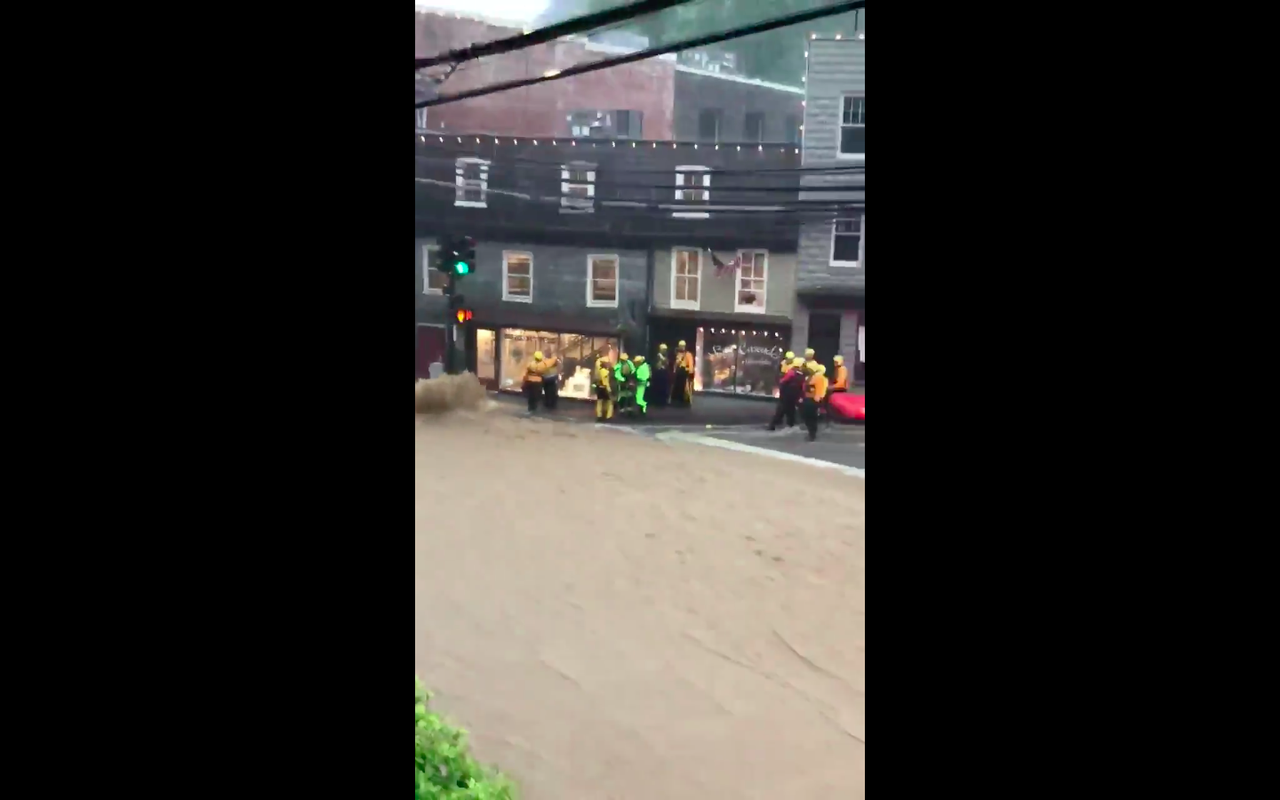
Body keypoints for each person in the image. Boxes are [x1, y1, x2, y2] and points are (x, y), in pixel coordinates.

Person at [769, 356, 807, 430]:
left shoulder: (797, 372)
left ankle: (789, 424)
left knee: (790, 409)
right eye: (803, 364)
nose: (804, 366)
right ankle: (774, 424)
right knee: (783, 409)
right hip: (788, 393)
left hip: (792, 393)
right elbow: (783, 381)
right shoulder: (793, 372)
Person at [801, 363, 829, 442]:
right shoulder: (809, 377)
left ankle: (812, 434)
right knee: (806, 416)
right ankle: (811, 432)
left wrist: (818, 399)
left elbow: (820, 389)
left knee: (811, 417)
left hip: (813, 400)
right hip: (807, 398)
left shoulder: (818, 378)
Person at [671, 340, 695, 407]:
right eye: (680, 346)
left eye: (682, 346)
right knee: (677, 387)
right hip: (679, 373)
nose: (681, 347)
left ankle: (685, 401)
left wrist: (691, 372)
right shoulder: (678, 354)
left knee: (685, 388)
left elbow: (691, 364)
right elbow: (676, 364)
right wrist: (674, 370)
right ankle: (678, 400)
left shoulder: (688, 354)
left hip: (685, 372)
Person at [594, 357, 614, 422]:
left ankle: (599, 415)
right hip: (605, 388)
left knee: (600, 402)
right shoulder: (606, 372)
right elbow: (606, 382)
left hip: (599, 388)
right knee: (609, 402)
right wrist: (609, 390)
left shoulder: (598, 370)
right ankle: (608, 416)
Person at [651, 343, 670, 408]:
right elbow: (656, 365)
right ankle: (658, 402)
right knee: (658, 388)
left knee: (664, 388)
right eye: (663, 350)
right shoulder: (658, 356)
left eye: (665, 350)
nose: (665, 351)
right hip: (658, 373)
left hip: (664, 373)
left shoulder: (665, 357)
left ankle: (663, 401)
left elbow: (667, 364)